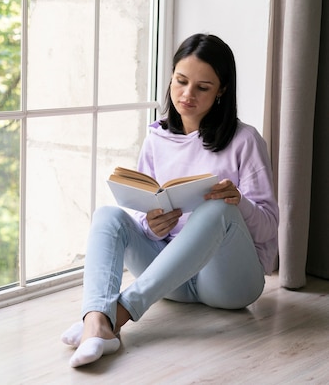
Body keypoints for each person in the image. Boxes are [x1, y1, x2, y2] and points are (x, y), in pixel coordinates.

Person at [61, 33, 279, 368]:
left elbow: (268, 230)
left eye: (203, 87)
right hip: (172, 283)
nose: (187, 94)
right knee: (107, 215)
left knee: (217, 208)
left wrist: (240, 203)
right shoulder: (156, 138)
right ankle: (95, 320)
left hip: (229, 285)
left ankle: (113, 317)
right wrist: (150, 226)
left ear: (221, 90)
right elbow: (144, 214)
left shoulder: (245, 140)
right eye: (181, 81)